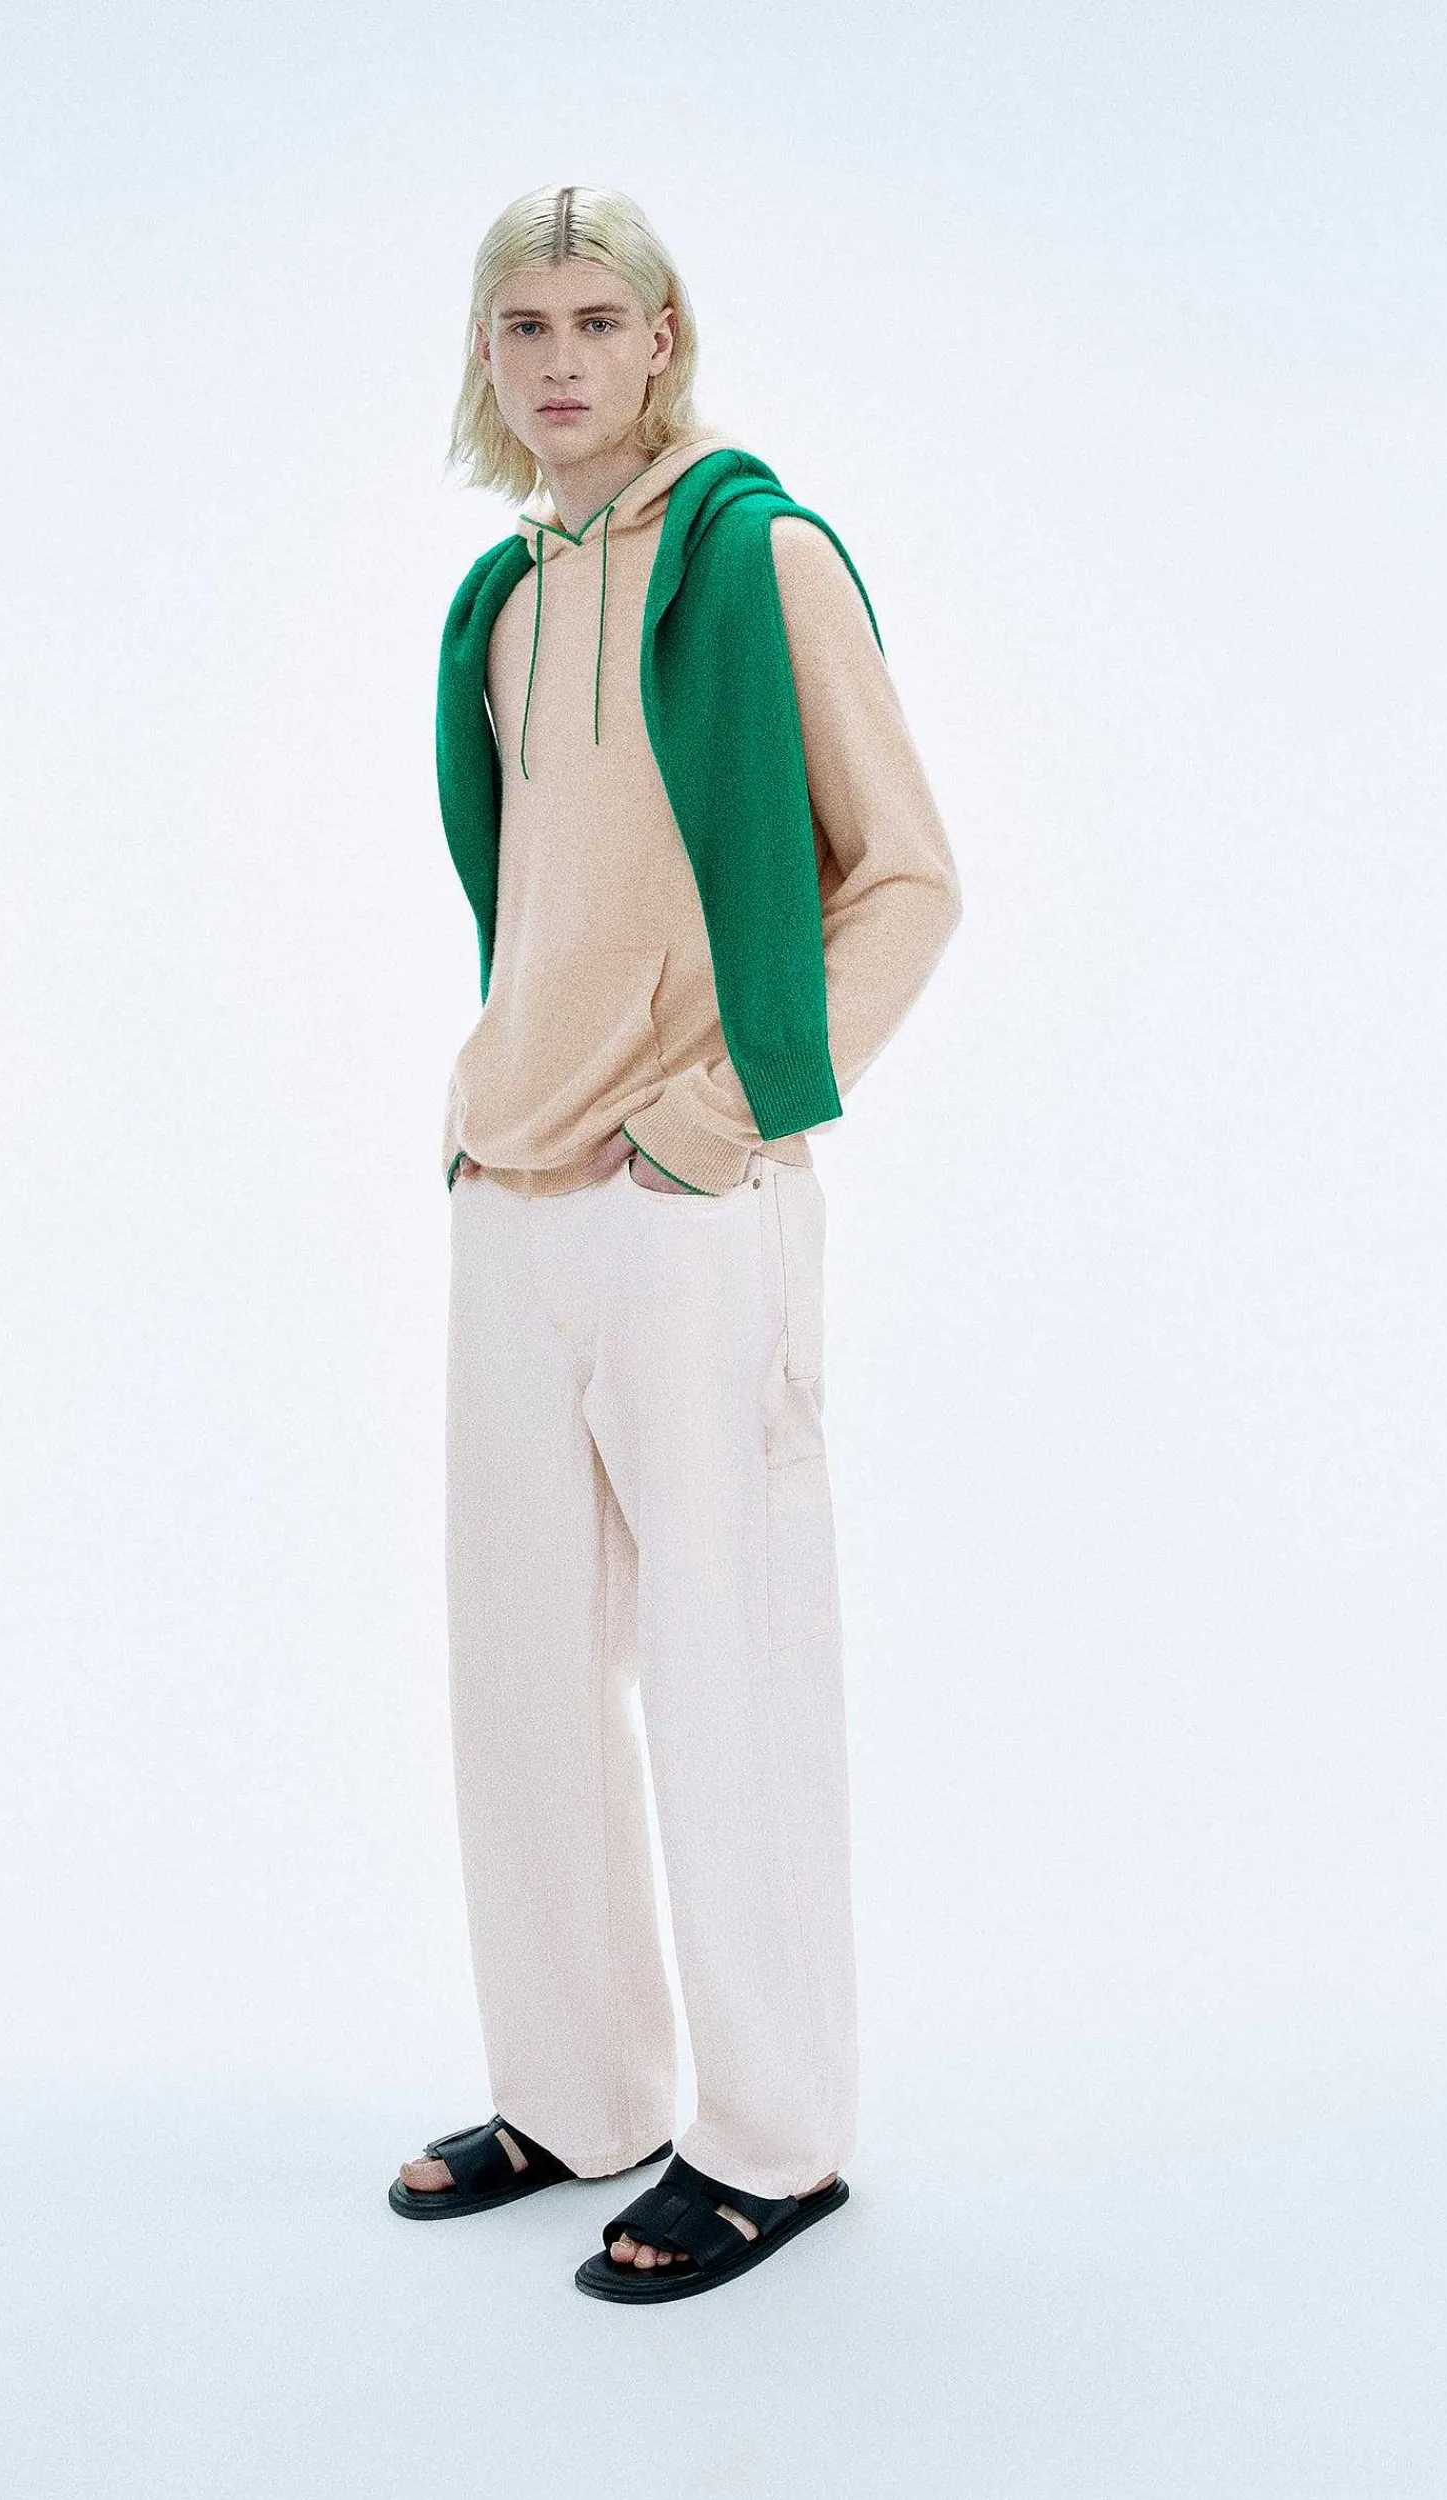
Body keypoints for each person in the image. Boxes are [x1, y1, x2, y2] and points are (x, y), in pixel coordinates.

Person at [389, 182, 963, 2303]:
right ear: (488, 356)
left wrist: (718, 1122)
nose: (558, 359)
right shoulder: (501, 601)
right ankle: (576, 2086)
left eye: (595, 319)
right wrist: (483, 1129)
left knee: (733, 1672)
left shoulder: (759, 555)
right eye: (521, 324)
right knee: (519, 1679)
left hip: (688, 1203)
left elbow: (906, 880)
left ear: (661, 340)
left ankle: (775, 2139)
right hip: (512, 1198)